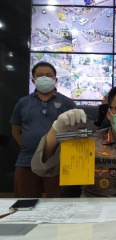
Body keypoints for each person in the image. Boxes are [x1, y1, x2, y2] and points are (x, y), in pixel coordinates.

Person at [10, 61, 76, 198]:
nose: (44, 78)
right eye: (39, 75)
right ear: (33, 80)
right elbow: (16, 129)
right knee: (24, 205)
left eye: (48, 75)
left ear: (56, 80)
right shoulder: (23, 103)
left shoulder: (67, 103)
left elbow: (75, 130)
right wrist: (28, 145)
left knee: (59, 205)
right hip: (27, 161)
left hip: (58, 163)